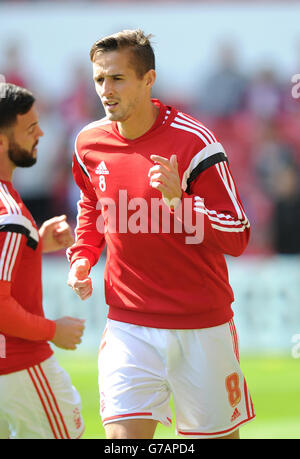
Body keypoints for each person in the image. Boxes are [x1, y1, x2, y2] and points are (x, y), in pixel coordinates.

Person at [67, 29, 255, 440]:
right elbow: (92, 205)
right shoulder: (87, 143)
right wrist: (82, 256)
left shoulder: (195, 143)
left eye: (117, 78)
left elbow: (238, 234)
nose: (105, 90)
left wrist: (180, 203)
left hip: (201, 326)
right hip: (127, 324)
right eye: (99, 79)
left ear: (148, 79)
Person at [0, 83, 85, 439]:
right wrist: (54, 331)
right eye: (31, 128)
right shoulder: (9, 212)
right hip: (18, 366)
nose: (42, 133)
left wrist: (35, 242)